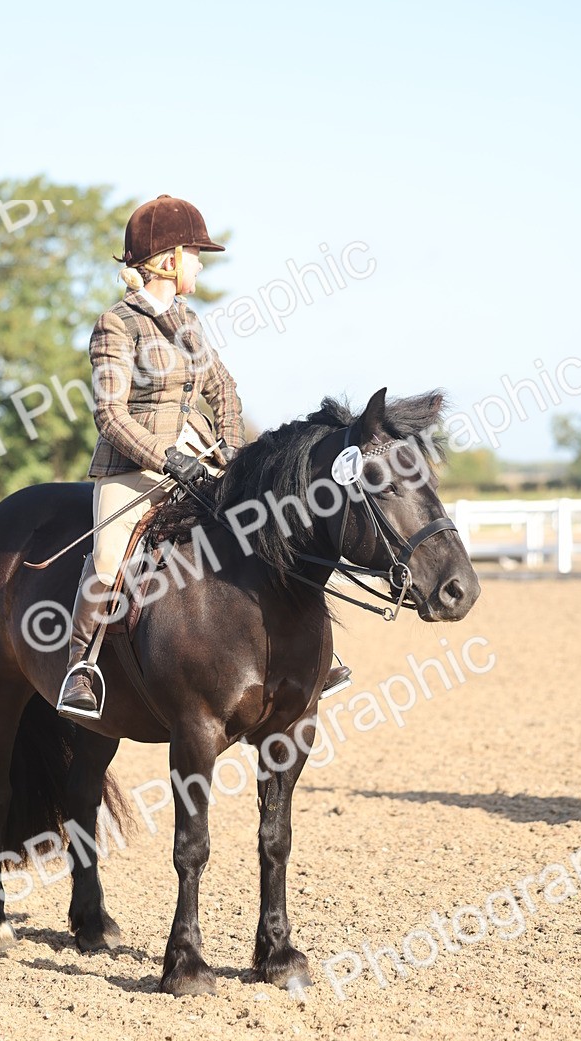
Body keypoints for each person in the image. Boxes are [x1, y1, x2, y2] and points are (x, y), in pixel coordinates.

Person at [57, 194, 350, 719]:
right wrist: (166, 458)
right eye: (194, 253)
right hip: (133, 467)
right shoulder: (117, 325)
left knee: (271, 528)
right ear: (167, 259)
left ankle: (303, 653)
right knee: (109, 558)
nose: (199, 263)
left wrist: (238, 458)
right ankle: (83, 666)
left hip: (202, 458)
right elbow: (109, 414)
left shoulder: (188, 322)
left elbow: (225, 391)